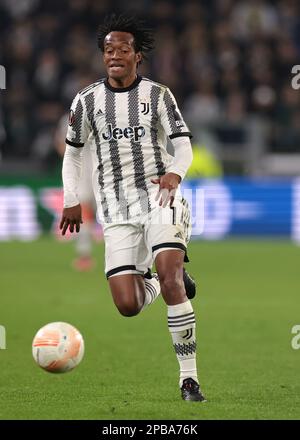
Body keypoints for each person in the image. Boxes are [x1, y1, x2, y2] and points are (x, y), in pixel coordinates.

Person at [60, 14, 206, 402]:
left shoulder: (159, 95)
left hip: (161, 198)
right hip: (115, 208)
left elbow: (184, 146)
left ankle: (188, 379)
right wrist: (71, 198)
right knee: (128, 304)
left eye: (123, 48)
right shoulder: (87, 100)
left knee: (171, 274)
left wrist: (175, 173)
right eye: (108, 49)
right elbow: (73, 156)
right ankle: (156, 280)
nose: (115, 54)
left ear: (137, 56)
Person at [54, 112, 98, 271]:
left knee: (89, 214)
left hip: (97, 170)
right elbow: (60, 144)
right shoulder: (69, 118)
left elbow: (60, 146)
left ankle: (85, 256)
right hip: (87, 171)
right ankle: (85, 256)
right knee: (85, 212)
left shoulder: (69, 118)